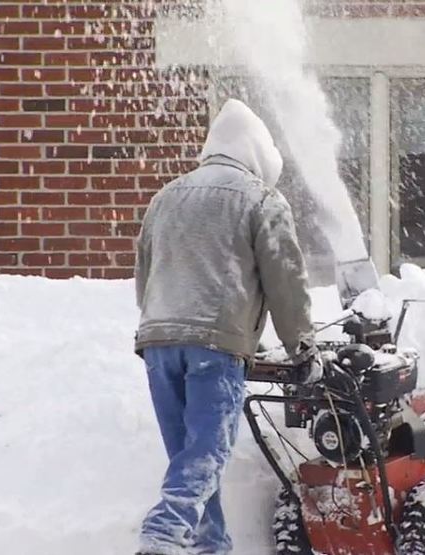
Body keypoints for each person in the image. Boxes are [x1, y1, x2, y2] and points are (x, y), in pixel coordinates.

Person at [133, 99, 316, 555]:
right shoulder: (261, 198)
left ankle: (210, 546)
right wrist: (303, 348)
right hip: (214, 346)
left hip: (157, 342)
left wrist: (164, 324)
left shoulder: (166, 196)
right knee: (207, 453)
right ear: (256, 152)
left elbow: (145, 274)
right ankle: (163, 534)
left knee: (189, 457)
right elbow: (285, 282)